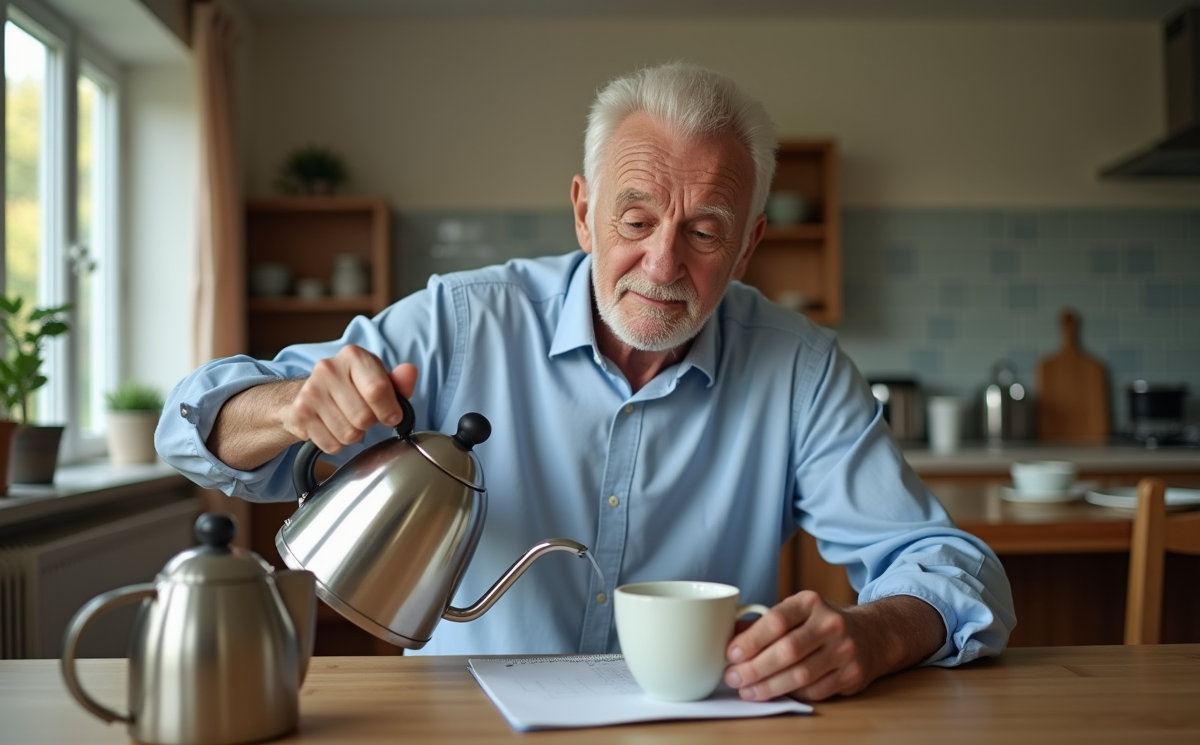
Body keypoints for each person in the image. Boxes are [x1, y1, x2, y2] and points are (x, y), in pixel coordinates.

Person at [157, 63, 1015, 703]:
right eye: (635, 220)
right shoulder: (462, 322)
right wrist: (293, 408)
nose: (662, 263)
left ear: (750, 246)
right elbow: (192, 424)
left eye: (705, 233)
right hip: (465, 735)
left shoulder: (798, 366)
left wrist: (875, 630)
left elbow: (950, 568)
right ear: (582, 211)